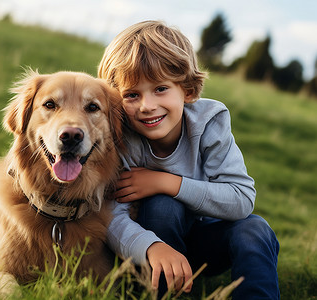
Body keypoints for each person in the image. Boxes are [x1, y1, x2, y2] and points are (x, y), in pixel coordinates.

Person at [97, 20, 280, 299]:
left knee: (255, 228)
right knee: (161, 206)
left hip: (206, 241)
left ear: (188, 91)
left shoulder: (210, 124)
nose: (147, 106)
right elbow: (110, 218)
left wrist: (166, 182)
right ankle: (167, 293)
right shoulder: (122, 139)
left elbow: (242, 199)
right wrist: (150, 246)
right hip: (153, 245)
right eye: (132, 95)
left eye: (160, 89)